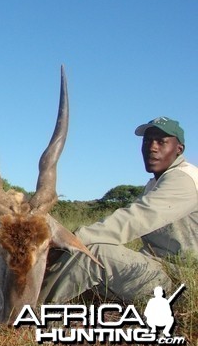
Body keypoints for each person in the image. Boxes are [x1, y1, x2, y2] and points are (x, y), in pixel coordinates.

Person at [40, 116, 198, 304]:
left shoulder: (183, 179)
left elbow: (134, 219)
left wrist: (72, 239)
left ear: (179, 149)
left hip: (185, 280)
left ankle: (29, 313)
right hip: (165, 272)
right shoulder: (155, 183)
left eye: (161, 142)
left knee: (96, 253)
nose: (152, 147)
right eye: (147, 141)